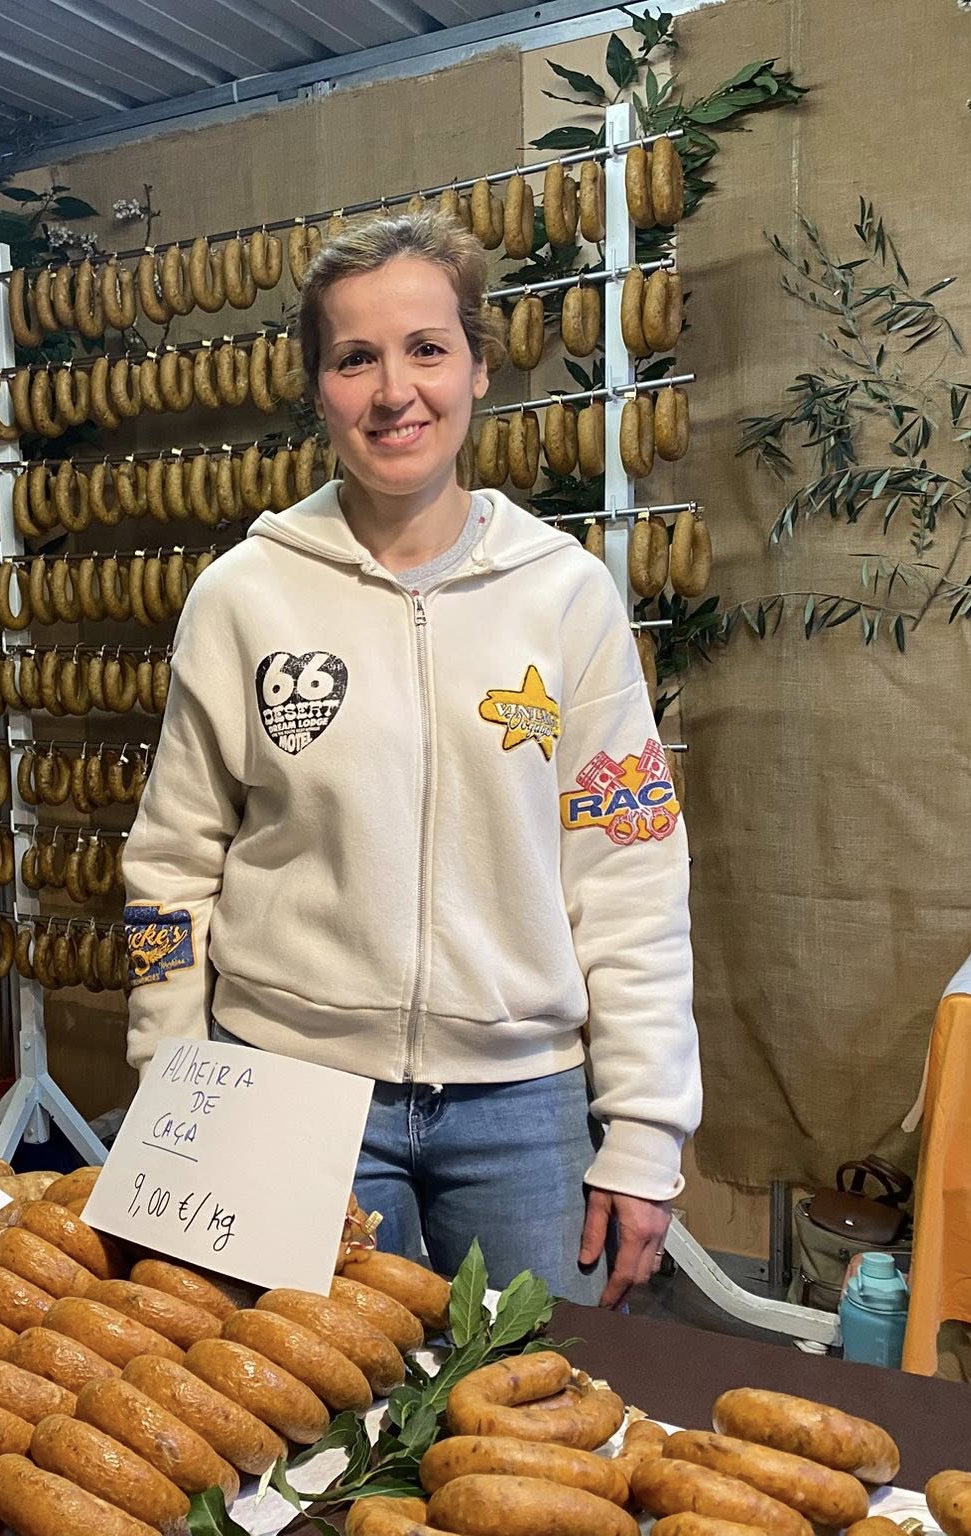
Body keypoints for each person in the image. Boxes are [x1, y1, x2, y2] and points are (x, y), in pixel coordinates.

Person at [119, 213, 698, 1308]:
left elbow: (631, 871)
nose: (394, 392)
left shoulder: (564, 597)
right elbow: (168, 868)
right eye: (355, 358)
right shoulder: (242, 595)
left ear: (478, 367)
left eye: (426, 349)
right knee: (313, 1434)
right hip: (289, 1086)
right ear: (318, 385)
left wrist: (643, 1129)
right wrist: (170, 1082)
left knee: (533, 1430)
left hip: (523, 1110)